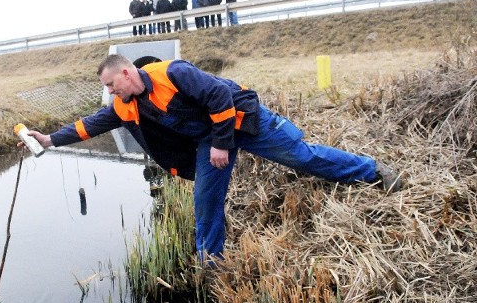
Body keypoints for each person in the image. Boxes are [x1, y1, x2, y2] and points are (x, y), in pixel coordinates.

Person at [20, 55, 401, 264]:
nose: (108, 92)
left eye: (109, 85)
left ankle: (373, 171)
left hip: (244, 123)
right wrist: (51, 139)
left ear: (125, 72)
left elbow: (220, 97)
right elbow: (92, 124)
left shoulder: (173, 73)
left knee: (303, 157)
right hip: (210, 141)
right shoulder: (125, 104)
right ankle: (211, 260)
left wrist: (222, 142)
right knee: (205, 199)